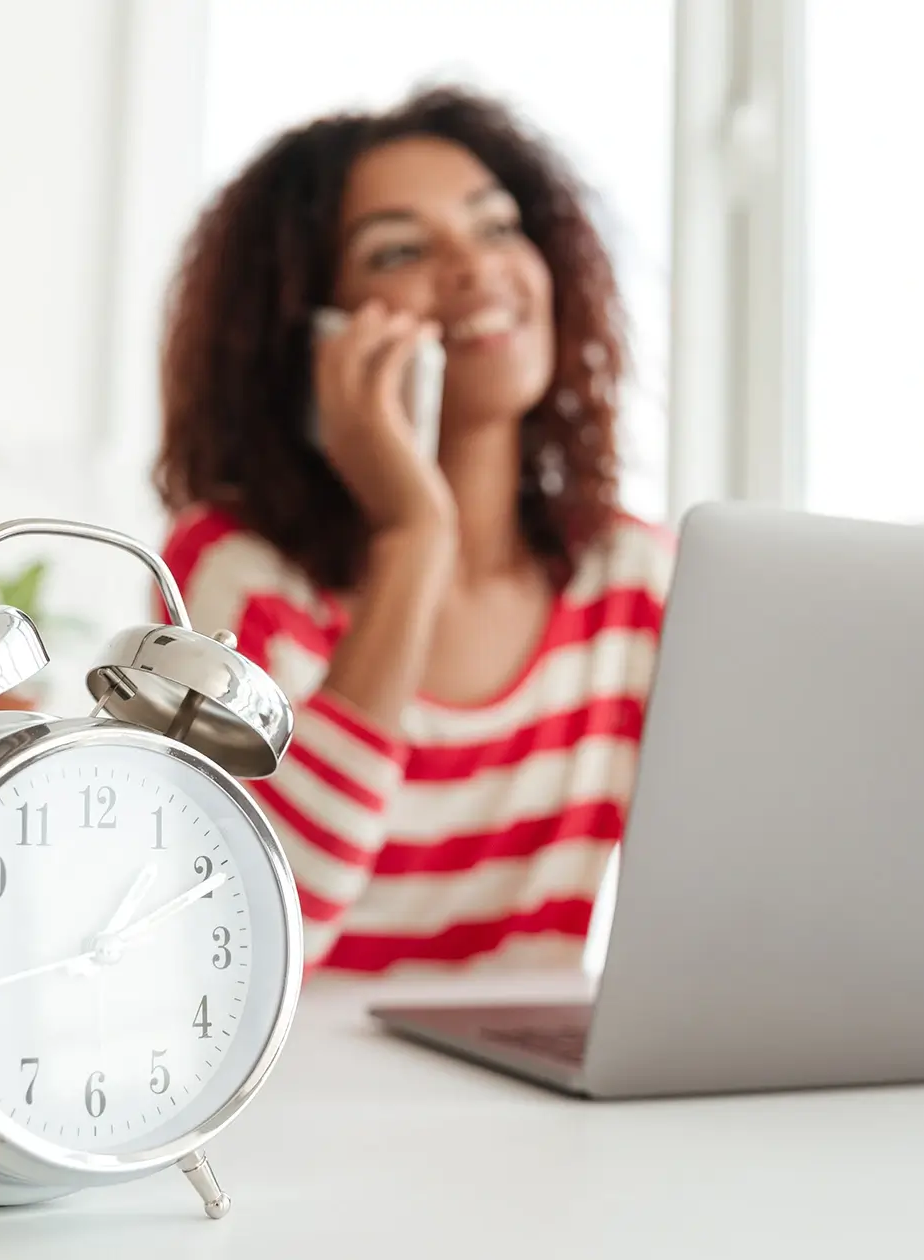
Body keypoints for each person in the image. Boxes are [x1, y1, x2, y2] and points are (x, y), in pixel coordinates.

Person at [154, 86, 671, 974]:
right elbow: (259, 935)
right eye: (400, 251)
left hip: (538, 1098)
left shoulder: (631, 582)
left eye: (498, 227)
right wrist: (414, 537)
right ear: (313, 334)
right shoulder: (237, 575)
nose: (475, 269)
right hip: (302, 1099)